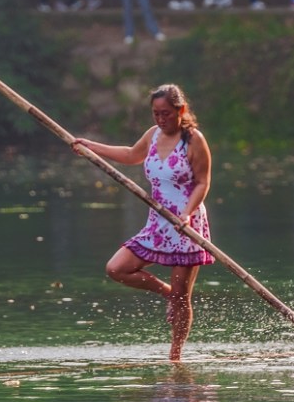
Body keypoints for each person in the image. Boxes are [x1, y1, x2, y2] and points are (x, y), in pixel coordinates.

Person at [72, 85, 214, 362]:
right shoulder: (153, 135)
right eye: (156, 114)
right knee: (117, 268)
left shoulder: (194, 140)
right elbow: (130, 154)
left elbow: (203, 182)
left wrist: (186, 214)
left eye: (167, 114)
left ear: (181, 111)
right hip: (158, 222)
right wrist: (90, 146)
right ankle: (167, 292)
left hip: (186, 223)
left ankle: (175, 357)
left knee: (183, 299)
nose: (161, 120)